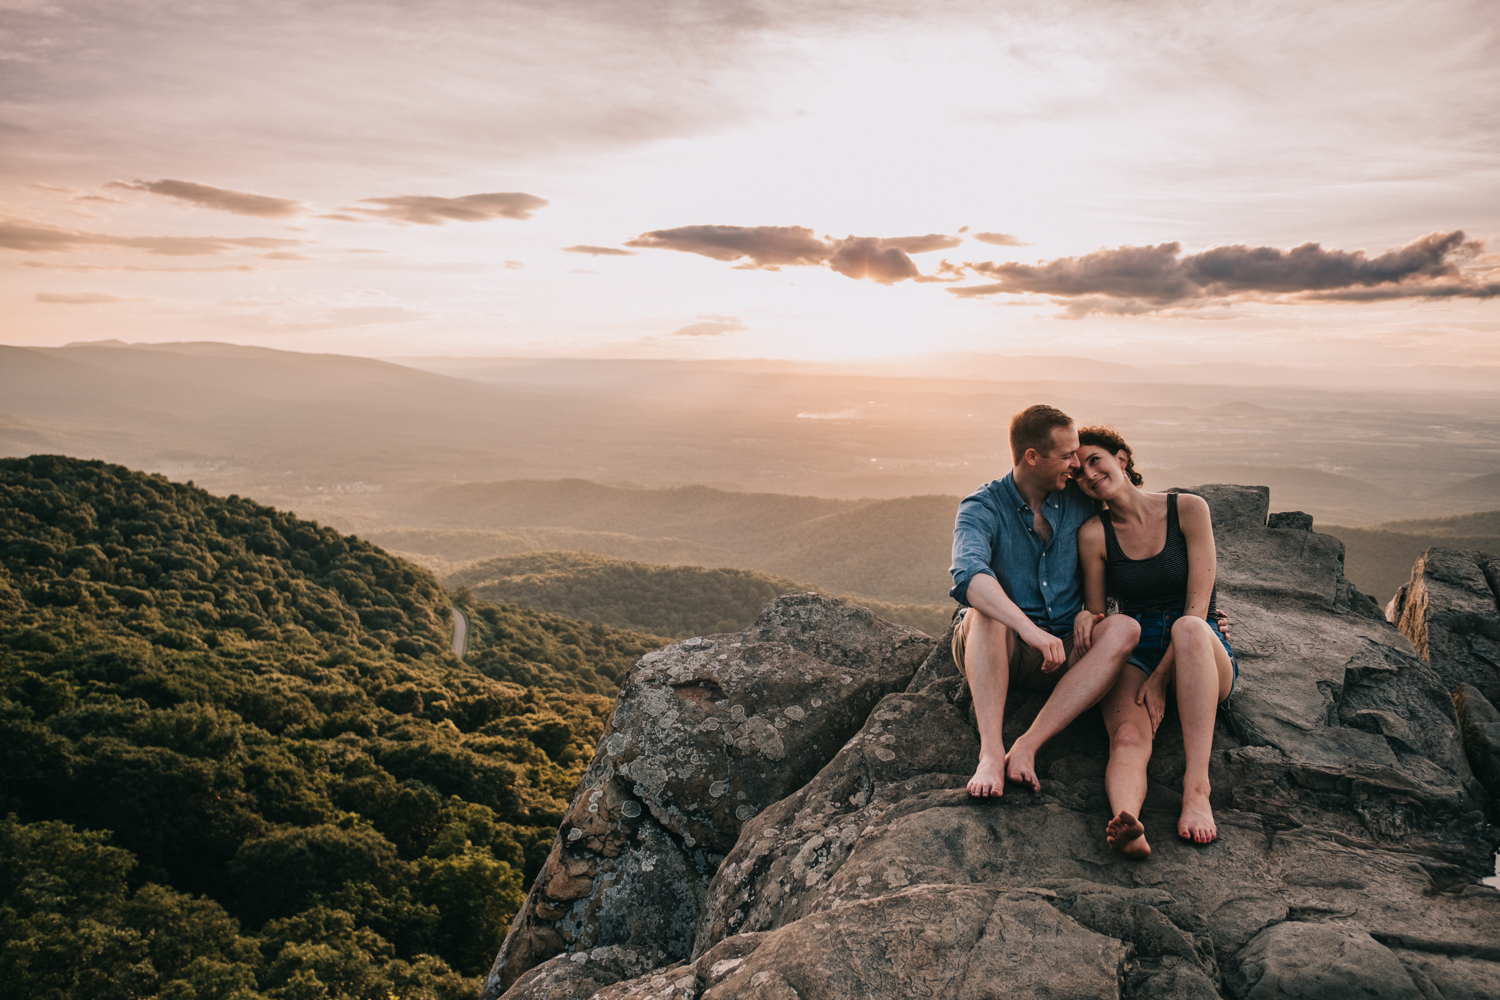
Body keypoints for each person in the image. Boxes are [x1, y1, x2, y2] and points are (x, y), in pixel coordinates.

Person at [948, 405, 1143, 798]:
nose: (1076, 464)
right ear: (1032, 457)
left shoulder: (1081, 499)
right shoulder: (982, 506)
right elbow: (968, 575)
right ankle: (990, 753)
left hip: (1068, 651)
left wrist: (1201, 613)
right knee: (985, 612)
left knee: (1125, 628)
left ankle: (1027, 746)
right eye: (1067, 455)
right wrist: (1027, 629)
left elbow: (1137, 531)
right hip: (1004, 646)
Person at [1072, 425, 1238, 858]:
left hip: (1198, 646)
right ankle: (1128, 824)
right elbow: (1099, 614)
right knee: (1126, 736)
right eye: (1078, 471)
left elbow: (1197, 606)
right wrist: (1082, 622)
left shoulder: (1187, 509)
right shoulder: (1094, 534)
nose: (1089, 474)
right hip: (1138, 645)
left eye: (1095, 460)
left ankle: (1197, 790)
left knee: (1187, 629)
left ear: (1121, 458)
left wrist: (1162, 678)